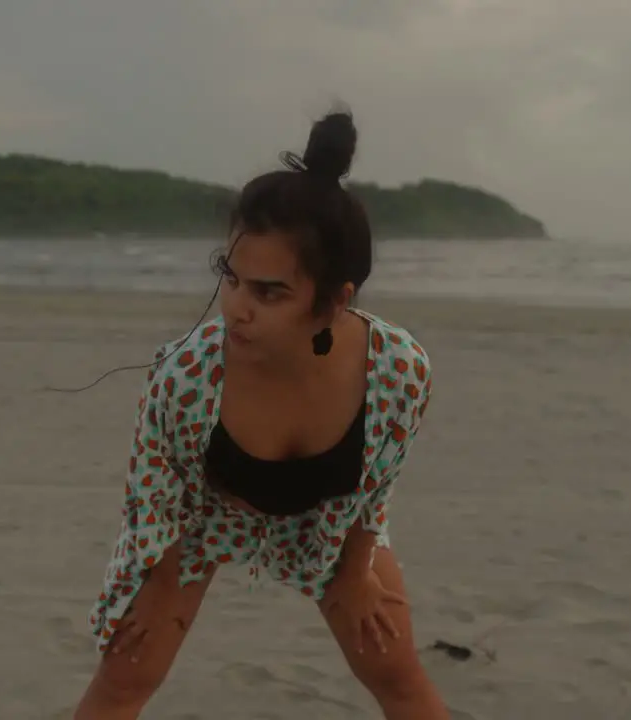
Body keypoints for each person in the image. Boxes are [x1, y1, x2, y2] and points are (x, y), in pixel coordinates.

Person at [73, 108, 449, 719]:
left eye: (269, 292)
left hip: (328, 521)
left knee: (395, 670)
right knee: (124, 678)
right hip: (197, 519)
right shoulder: (185, 378)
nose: (236, 310)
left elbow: (378, 480)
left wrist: (355, 570)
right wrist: (161, 582)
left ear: (334, 302)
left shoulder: (399, 372)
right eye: (231, 278)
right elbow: (153, 494)